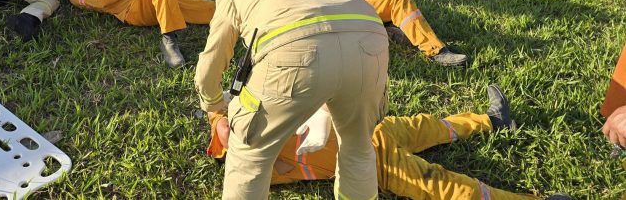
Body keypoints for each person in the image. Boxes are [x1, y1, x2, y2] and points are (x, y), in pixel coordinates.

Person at [195, 0, 389, 199]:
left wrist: (213, 104)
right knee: (358, 149)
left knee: (250, 155)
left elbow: (212, 60)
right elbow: (335, 40)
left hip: (294, 48)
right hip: (372, 39)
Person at [206, 84, 571, 200]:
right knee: (441, 185)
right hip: (367, 162)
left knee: (423, 125)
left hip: (370, 130)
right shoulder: (248, 164)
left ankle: (492, 121)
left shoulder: (247, 107)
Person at [58, 0, 214, 68]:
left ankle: (234, 15)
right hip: (134, 10)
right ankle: (169, 38)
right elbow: (102, 0)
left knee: (213, 9)